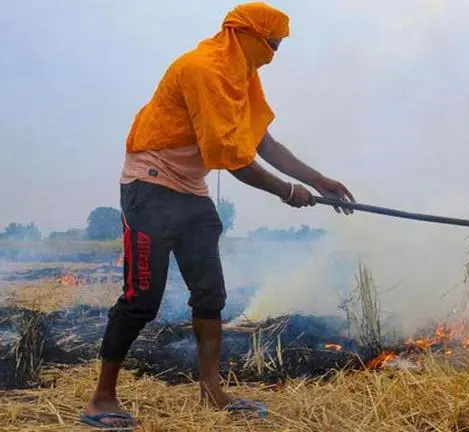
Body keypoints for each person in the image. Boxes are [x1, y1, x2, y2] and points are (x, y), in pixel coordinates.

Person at [80, 2, 355, 429]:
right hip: (150, 186)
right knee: (141, 300)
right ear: (245, 35)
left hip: (191, 190)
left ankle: (212, 393)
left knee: (210, 296)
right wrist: (287, 191)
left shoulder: (242, 77)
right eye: (272, 44)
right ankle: (101, 399)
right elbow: (231, 158)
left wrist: (320, 181)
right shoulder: (203, 69)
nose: (274, 54)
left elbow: (262, 142)